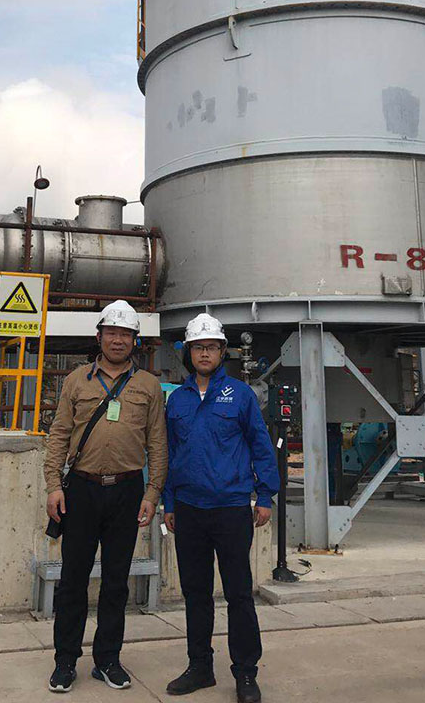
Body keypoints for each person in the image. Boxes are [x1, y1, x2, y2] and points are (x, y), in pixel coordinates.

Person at [44, 300, 168, 693]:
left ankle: (108, 661)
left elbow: (157, 443)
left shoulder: (148, 385)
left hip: (127, 492)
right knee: (72, 580)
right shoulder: (77, 381)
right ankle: (65, 661)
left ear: (135, 340)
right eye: (112, 332)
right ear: (99, 337)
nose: (118, 340)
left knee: (116, 582)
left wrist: (152, 492)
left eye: (125, 334)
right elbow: (59, 434)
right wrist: (53, 485)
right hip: (81, 490)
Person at [163, 314, 279, 703]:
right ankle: (200, 668)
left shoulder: (241, 396)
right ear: (188, 352)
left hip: (230, 508)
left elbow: (261, 445)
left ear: (222, 351)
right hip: (189, 508)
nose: (205, 354)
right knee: (195, 593)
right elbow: (170, 454)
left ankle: (245, 673)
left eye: (211, 347)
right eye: (198, 347)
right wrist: (169, 501)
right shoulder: (177, 400)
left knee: (239, 594)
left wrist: (265, 496)